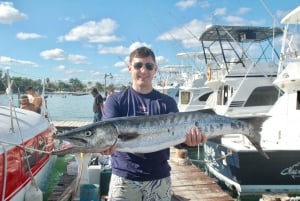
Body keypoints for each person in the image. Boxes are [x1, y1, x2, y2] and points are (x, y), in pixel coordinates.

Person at [102, 46, 207, 201]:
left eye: (148, 66)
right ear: (130, 68)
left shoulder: (167, 102)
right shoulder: (115, 100)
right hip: (124, 178)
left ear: (155, 69)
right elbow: (107, 135)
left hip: (159, 178)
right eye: (138, 65)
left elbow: (178, 142)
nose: (143, 70)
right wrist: (104, 146)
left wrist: (189, 143)